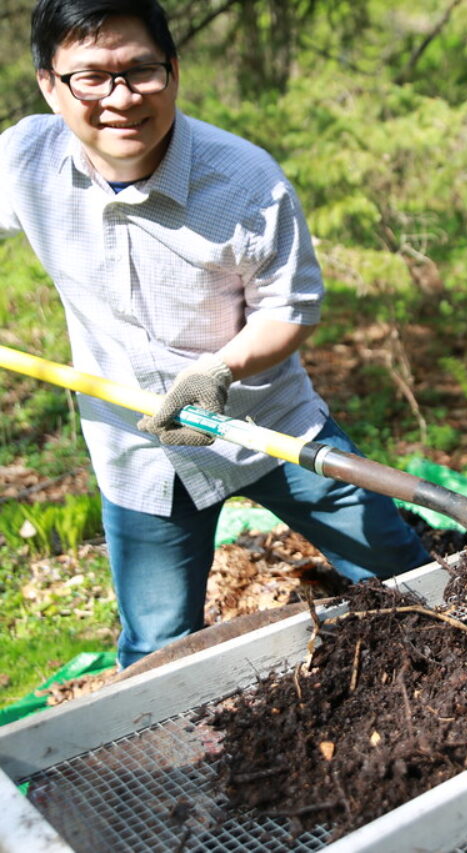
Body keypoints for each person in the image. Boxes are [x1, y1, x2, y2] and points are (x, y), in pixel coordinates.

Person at [0, 0, 429, 668]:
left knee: (407, 578)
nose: (120, 98)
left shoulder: (245, 181)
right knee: (156, 647)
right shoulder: (25, 160)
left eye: (140, 70)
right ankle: (169, 760)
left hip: (272, 431)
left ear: (172, 70)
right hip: (140, 449)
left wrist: (218, 373)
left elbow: (292, 308)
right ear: (50, 85)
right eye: (91, 77)